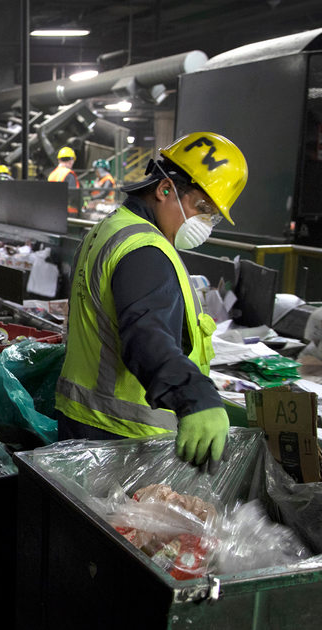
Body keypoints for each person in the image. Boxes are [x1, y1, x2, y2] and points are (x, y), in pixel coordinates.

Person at [54, 132, 248, 465]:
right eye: (201, 208)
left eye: (212, 216)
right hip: (121, 439)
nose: (205, 224)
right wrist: (196, 397)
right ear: (165, 189)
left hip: (86, 424)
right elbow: (146, 335)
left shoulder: (111, 228)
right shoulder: (144, 249)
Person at [48, 146, 81, 214]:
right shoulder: (68, 174)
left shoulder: (52, 174)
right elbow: (73, 194)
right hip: (68, 212)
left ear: (59, 160)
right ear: (71, 161)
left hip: (53, 210)